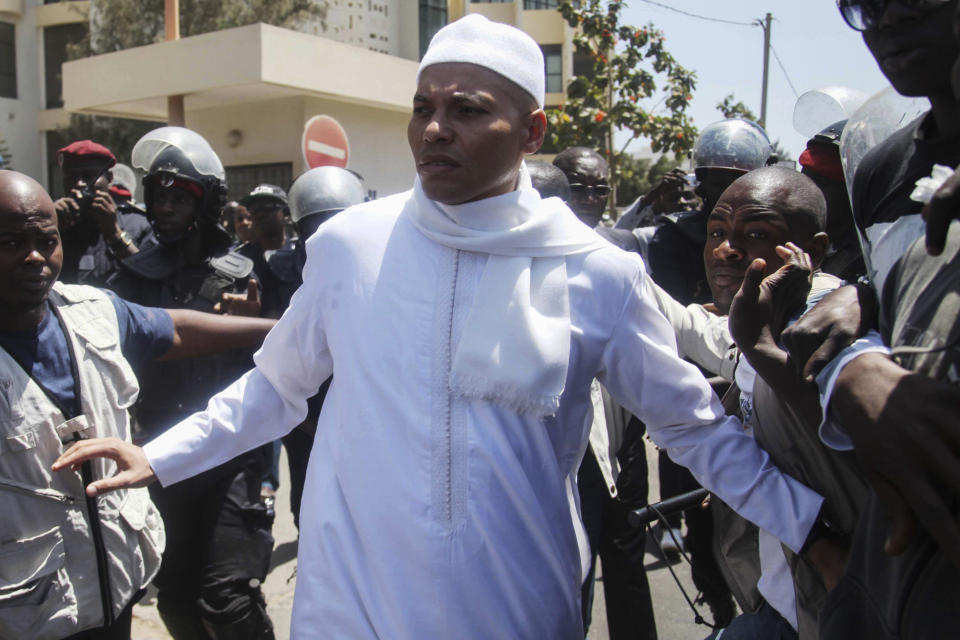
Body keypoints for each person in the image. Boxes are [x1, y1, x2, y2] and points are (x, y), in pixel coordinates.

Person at [56, 16, 825, 639]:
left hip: (514, 603)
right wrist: (156, 455)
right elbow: (275, 390)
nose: (435, 130)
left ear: (531, 131)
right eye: (424, 108)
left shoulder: (595, 271)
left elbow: (691, 426)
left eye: (466, 111)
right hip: (352, 601)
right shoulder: (351, 246)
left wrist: (812, 528)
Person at [0, 170, 275, 639]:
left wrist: (281, 330)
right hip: (29, 613)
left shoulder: (93, 310)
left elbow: (178, 329)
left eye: (46, 240)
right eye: (9, 243)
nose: (34, 257)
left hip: (114, 586)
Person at [107, 127, 276, 639]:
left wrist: (254, 326)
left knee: (229, 599)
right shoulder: (134, 274)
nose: (164, 207)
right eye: (158, 195)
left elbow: (288, 362)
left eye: (179, 196)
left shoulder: (247, 271)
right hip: (162, 452)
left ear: (207, 203)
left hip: (231, 448)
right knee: (175, 599)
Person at [547, 147, 658, 639]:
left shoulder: (623, 251)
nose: (590, 197)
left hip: (623, 440)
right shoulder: (530, 251)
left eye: (600, 188)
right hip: (572, 449)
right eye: (578, 186)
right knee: (576, 571)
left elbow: (661, 329)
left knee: (628, 562)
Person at [53, 140, 153, 286]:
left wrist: (114, 234)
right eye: (71, 177)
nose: (79, 184)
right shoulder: (52, 223)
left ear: (110, 179)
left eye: (89, 176)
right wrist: (50, 227)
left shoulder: (138, 223)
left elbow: (150, 277)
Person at [552, 147, 611, 228]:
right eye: (577, 188)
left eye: (600, 189)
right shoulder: (531, 239)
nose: (589, 200)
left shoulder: (622, 240)